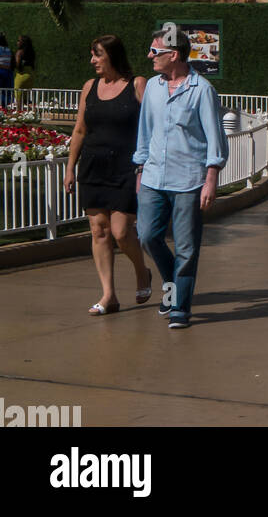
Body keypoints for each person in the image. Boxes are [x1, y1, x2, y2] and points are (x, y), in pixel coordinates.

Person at [134, 22, 228, 330]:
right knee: (147, 236)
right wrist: (139, 167)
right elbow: (144, 132)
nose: (150, 56)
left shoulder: (201, 90)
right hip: (152, 177)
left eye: (155, 51)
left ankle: (180, 308)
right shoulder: (152, 88)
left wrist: (211, 178)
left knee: (186, 248)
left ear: (174, 55)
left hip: (189, 179)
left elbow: (215, 137)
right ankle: (172, 285)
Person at [65, 36, 152, 315]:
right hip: (93, 166)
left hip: (127, 168)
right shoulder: (89, 87)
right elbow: (80, 130)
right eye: (92, 55)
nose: (92, 60)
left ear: (112, 55)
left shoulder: (137, 85)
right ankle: (109, 295)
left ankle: (142, 271)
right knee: (99, 231)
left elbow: (152, 125)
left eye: (97, 55)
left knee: (121, 232)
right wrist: (70, 167)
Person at [13, 35, 36, 109]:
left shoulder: (19, 52)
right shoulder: (32, 53)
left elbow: (18, 65)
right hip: (30, 75)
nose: (17, 42)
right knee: (26, 98)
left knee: (18, 96)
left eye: (19, 41)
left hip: (21, 76)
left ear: (23, 43)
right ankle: (33, 112)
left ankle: (19, 113)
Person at [0, 32, 13, 110]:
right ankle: (4, 108)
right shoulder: (8, 50)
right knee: (6, 91)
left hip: (1, 71)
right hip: (8, 72)